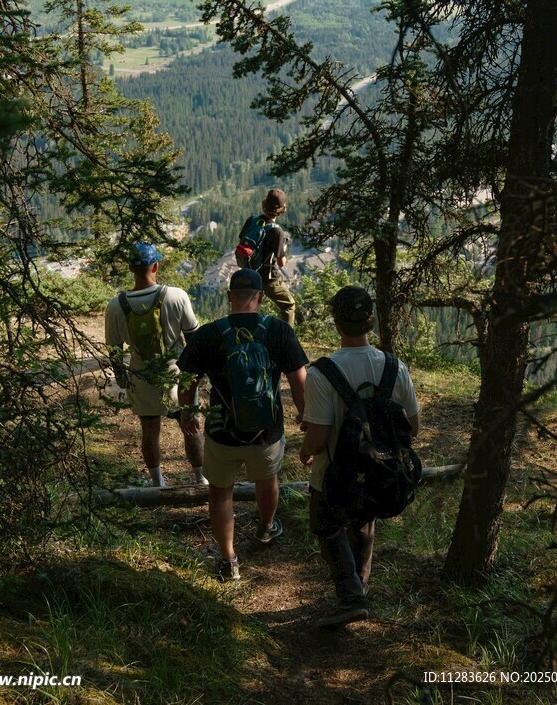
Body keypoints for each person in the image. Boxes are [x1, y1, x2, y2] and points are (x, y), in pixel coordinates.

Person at [299, 286, 420, 629]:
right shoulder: (395, 367)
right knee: (365, 520)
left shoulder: (322, 372)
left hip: (334, 473)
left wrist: (305, 451)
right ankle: (360, 589)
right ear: (371, 320)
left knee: (326, 525)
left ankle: (352, 597)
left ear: (336, 322)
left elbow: (320, 438)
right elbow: (413, 426)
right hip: (381, 470)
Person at [177, 268, 307, 581]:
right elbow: (299, 380)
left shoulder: (209, 333)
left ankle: (229, 559)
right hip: (267, 431)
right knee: (267, 480)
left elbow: (185, 380)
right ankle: (265, 529)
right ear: (261, 297)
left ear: (229, 296)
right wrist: (305, 416)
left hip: (222, 432)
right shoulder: (277, 330)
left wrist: (188, 413)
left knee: (221, 493)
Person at [105, 242, 205, 488]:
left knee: (149, 429)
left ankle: (157, 482)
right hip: (176, 373)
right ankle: (200, 478)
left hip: (141, 375)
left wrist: (122, 378)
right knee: (190, 424)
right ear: (156, 266)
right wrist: (196, 375)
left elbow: (114, 350)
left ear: (131, 268)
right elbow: (193, 339)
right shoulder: (176, 296)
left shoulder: (115, 306)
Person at [236, 188, 296, 326]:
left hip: (249, 273)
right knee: (288, 305)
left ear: (264, 205)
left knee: (248, 309)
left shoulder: (252, 220)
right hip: (268, 279)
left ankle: (243, 332)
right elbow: (281, 262)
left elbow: (242, 241)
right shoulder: (277, 231)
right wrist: (284, 248)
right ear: (282, 210)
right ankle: (287, 337)